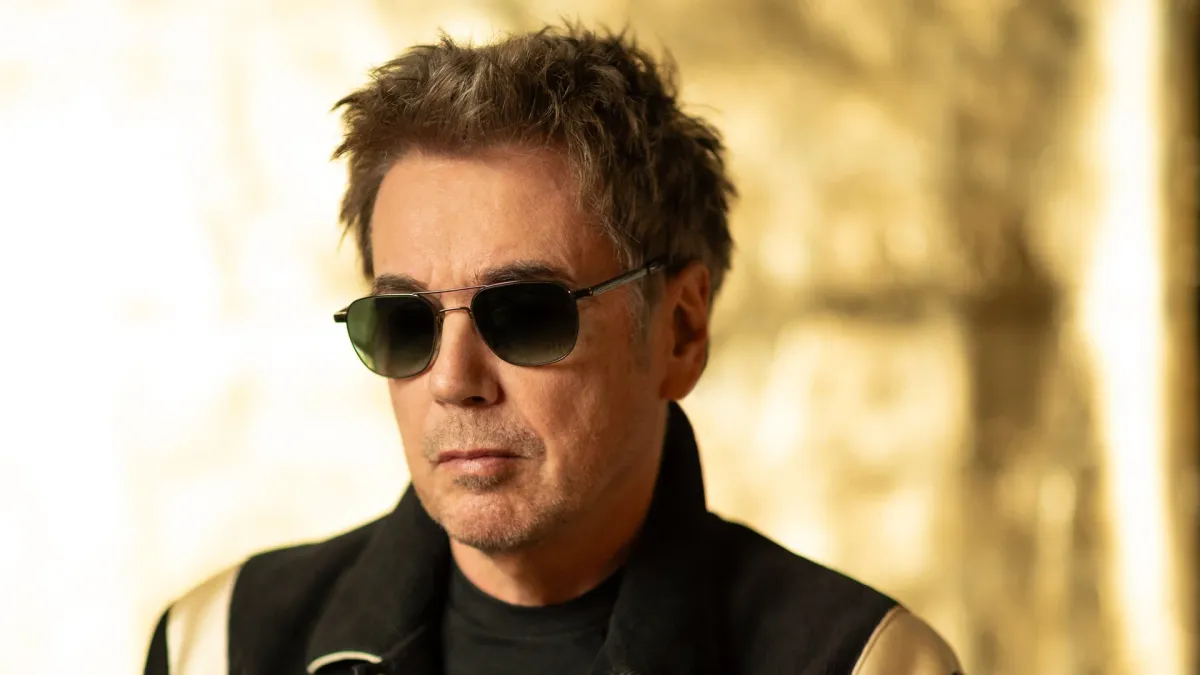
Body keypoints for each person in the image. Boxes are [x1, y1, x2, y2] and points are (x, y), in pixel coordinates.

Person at [143, 24, 963, 675]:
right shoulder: (218, 647)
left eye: (525, 315)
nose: (454, 379)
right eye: (405, 320)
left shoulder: (863, 663)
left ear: (680, 330)